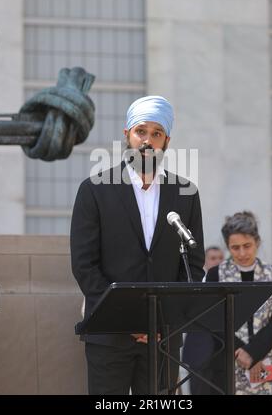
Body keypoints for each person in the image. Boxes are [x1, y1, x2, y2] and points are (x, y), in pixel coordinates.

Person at [70, 95, 205, 395]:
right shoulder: (94, 190)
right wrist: (126, 318)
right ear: (127, 135)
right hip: (109, 335)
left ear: (166, 141)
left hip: (163, 339)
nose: (148, 140)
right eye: (141, 131)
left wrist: (162, 321)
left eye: (157, 133)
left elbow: (192, 265)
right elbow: (84, 265)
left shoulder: (186, 193)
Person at [206, 211, 272, 395]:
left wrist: (254, 352)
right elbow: (214, 322)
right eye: (235, 248)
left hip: (268, 362)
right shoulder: (215, 276)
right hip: (226, 366)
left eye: (247, 246)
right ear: (227, 246)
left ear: (257, 242)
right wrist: (242, 352)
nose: (242, 253)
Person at [182, 246, 224, 395]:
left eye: (220, 258)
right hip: (199, 353)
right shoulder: (194, 283)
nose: (218, 262)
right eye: (213, 258)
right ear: (205, 262)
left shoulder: (230, 284)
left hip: (223, 354)